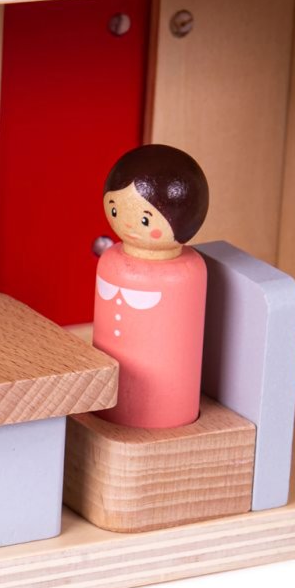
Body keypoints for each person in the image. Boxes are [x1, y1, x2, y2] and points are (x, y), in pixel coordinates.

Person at [93, 144, 209, 429]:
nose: (129, 225)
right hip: (106, 411)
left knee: (162, 389)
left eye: (145, 219)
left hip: (171, 415)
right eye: (115, 210)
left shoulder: (187, 273)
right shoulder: (111, 261)